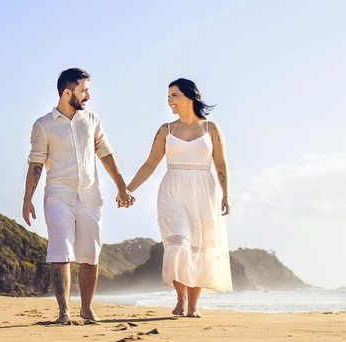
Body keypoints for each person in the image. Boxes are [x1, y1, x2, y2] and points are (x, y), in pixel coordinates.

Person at [24, 68, 132, 325]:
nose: (88, 96)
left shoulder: (92, 120)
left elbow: (105, 153)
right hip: (58, 196)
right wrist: (27, 199)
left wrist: (121, 186)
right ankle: (64, 313)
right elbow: (35, 163)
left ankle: (86, 309)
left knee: (90, 255)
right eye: (83, 90)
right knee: (60, 252)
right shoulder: (43, 125)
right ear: (67, 92)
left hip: (90, 196)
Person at [120, 78, 231, 317]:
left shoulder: (210, 128)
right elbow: (150, 164)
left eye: (174, 95)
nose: (169, 100)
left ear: (190, 97)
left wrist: (226, 194)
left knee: (199, 248)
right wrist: (127, 189)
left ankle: (193, 306)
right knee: (178, 245)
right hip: (172, 190)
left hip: (203, 190)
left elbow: (220, 163)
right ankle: (180, 299)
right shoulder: (165, 130)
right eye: (168, 96)